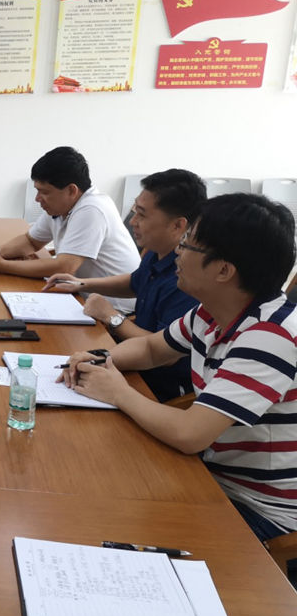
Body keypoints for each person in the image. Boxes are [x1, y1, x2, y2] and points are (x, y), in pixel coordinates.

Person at [62, 193, 297, 541]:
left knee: (106, 522)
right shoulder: (212, 311)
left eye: (187, 244)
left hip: (256, 507)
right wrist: (100, 358)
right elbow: (151, 349)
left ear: (223, 270)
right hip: (209, 474)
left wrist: (119, 393)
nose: (178, 253)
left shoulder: (269, 336)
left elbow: (190, 434)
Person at [44, 169, 206, 401]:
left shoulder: (187, 279)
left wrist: (111, 316)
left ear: (178, 226)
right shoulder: (158, 251)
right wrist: (81, 283)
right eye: (134, 211)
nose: (133, 222)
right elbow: (134, 282)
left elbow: (165, 353)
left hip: (159, 386)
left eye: (142, 215)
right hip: (129, 360)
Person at [0, 146, 140, 311]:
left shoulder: (92, 209)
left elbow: (64, 267)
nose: (37, 198)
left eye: (44, 192)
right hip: (81, 296)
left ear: (71, 190)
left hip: (113, 309)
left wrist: (1, 265)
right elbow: (30, 242)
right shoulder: (61, 206)